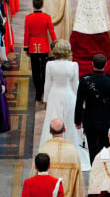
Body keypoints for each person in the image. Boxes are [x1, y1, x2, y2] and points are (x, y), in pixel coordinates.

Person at [39, 39, 90, 171]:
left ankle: (51, 152)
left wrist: (45, 100)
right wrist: (79, 102)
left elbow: (47, 84)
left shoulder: (50, 64)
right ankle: (70, 152)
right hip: (69, 96)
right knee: (69, 124)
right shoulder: (73, 65)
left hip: (54, 96)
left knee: (53, 121)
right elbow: (75, 85)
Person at [70, 0, 110, 92]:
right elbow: (104, 12)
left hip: (82, 30)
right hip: (99, 29)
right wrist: (107, 28)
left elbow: (79, 13)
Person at [74, 53, 110, 164]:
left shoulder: (85, 81)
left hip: (90, 120)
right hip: (107, 121)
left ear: (92, 64)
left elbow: (79, 103)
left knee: (92, 150)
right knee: (107, 149)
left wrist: (77, 121)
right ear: (105, 64)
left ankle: (94, 173)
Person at [38, 118, 85, 197]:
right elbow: (78, 181)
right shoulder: (72, 151)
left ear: (50, 131)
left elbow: (35, 176)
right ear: (64, 130)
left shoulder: (43, 150)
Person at [24, 0, 57, 101]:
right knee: (44, 70)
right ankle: (44, 91)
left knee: (35, 70)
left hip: (33, 46)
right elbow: (51, 31)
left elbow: (26, 34)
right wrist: (55, 42)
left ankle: (38, 93)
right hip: (43, 46)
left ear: (33, 5)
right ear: (42, 5)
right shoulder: (47, 17)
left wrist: (26, 47)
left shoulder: (28, 17)